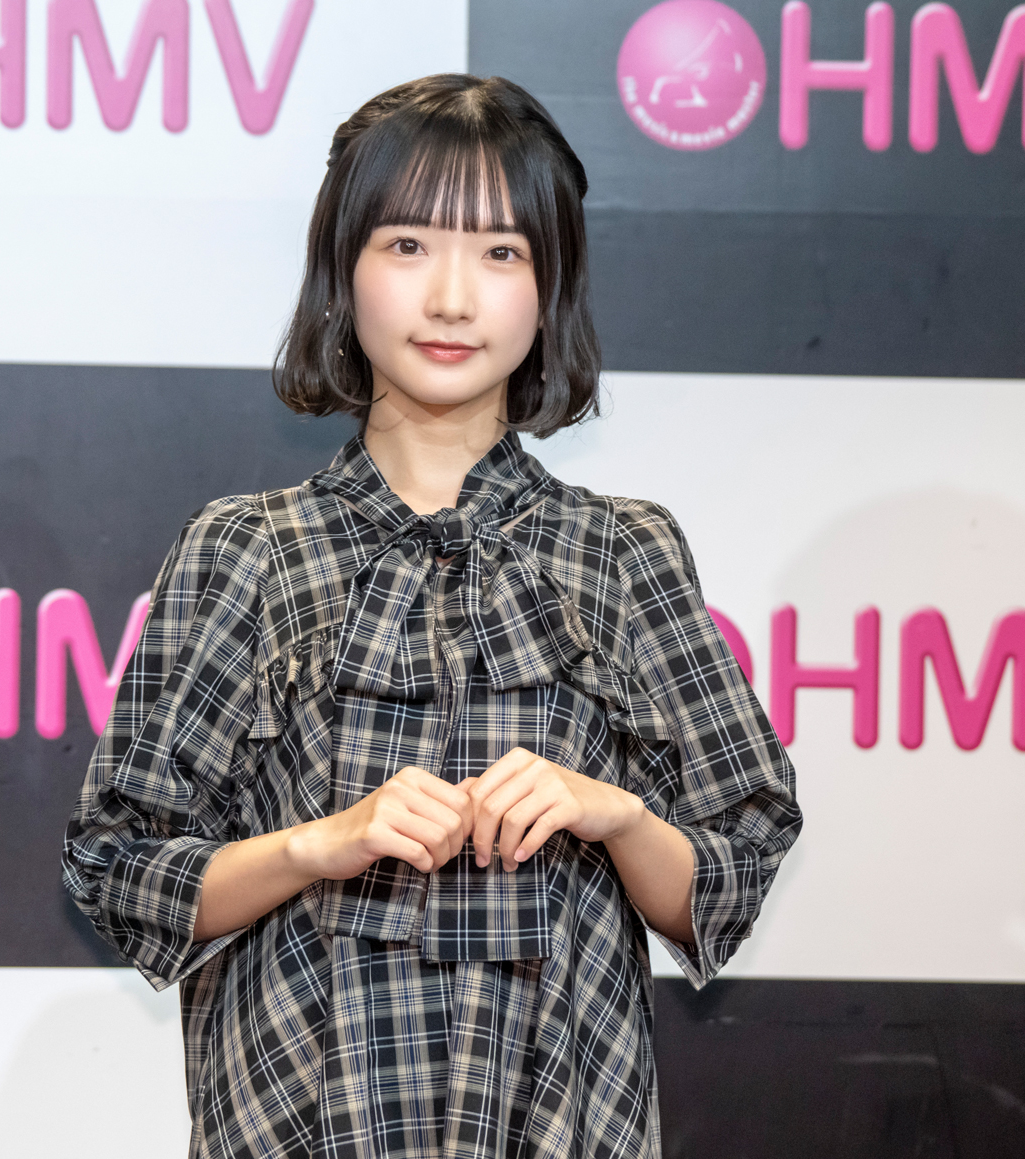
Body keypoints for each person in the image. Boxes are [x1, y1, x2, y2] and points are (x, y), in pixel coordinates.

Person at [62, 73, 801, 1159]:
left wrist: (613, 813)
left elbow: (724, 878)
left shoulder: (619, 552)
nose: (451, 298)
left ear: (549, 288)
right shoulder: (247, 549)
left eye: (501, 251)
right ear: (341, 270)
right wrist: (319, 843)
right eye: (407, 244)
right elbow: (120, 868)